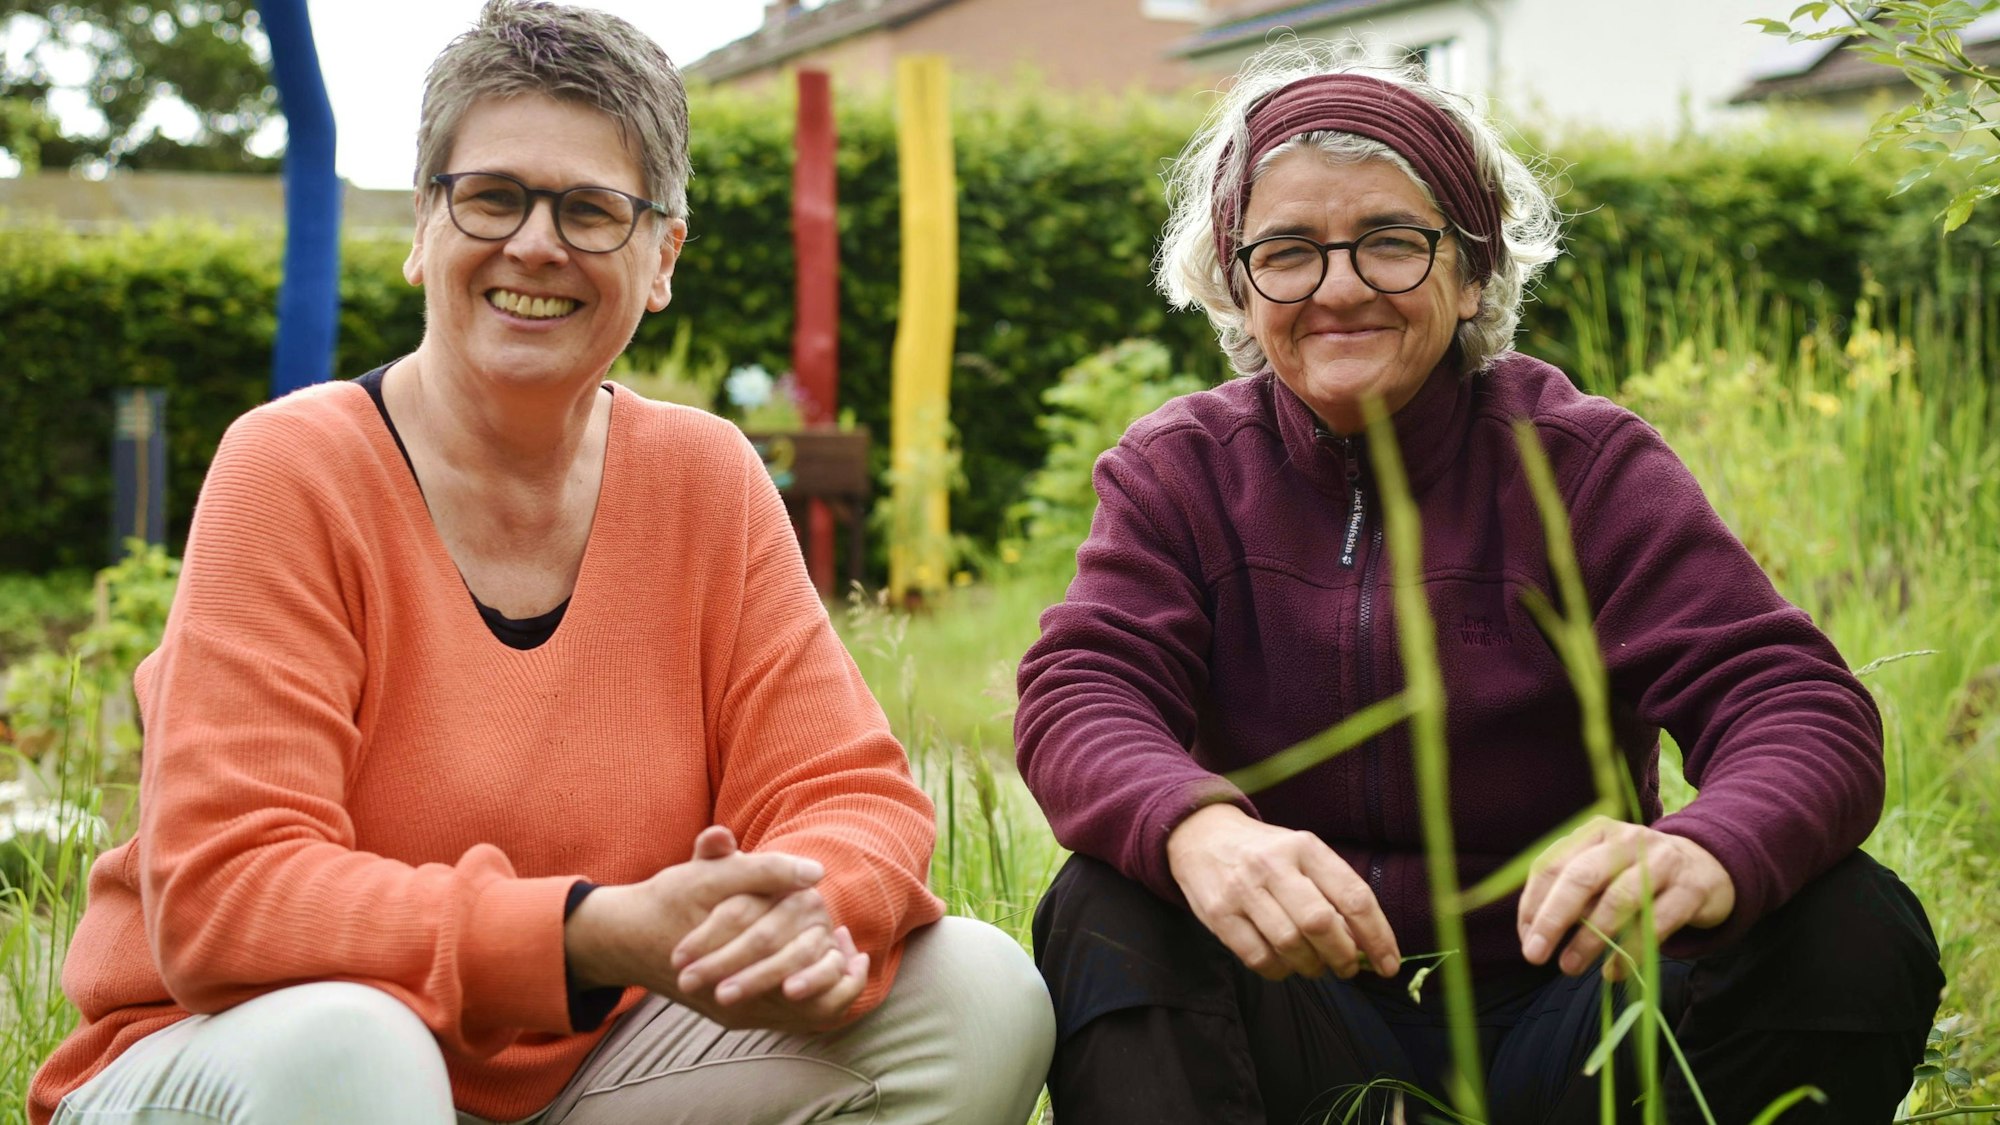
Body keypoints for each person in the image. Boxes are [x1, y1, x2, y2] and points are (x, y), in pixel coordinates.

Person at [31, 3, 1053, 1122]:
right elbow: (227, 895)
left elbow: (845, 793)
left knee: (975, 992)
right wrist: (584, 936)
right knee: (356, 1046)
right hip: (241, 1058)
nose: (534, 244)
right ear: (423, 225)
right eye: (492, 196)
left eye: (590, 210)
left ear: (661, 259)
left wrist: (801, 913)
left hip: (582, 1076)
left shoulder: (704, 479)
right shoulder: (294, 467)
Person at [1017, 42, 1942, 1125]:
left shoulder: (1583, 465)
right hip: (1301, 1006)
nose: (1339, 288)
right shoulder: (1180, 471)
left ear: (1470, 273)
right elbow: (1081, 690)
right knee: (1107, 904)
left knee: (1850, 918)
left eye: (1390, 242)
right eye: (1288, 251)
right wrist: (1198, 828)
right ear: (1238, 283)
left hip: (1579, 1007)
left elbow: (1795, 702)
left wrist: (1705, 849)